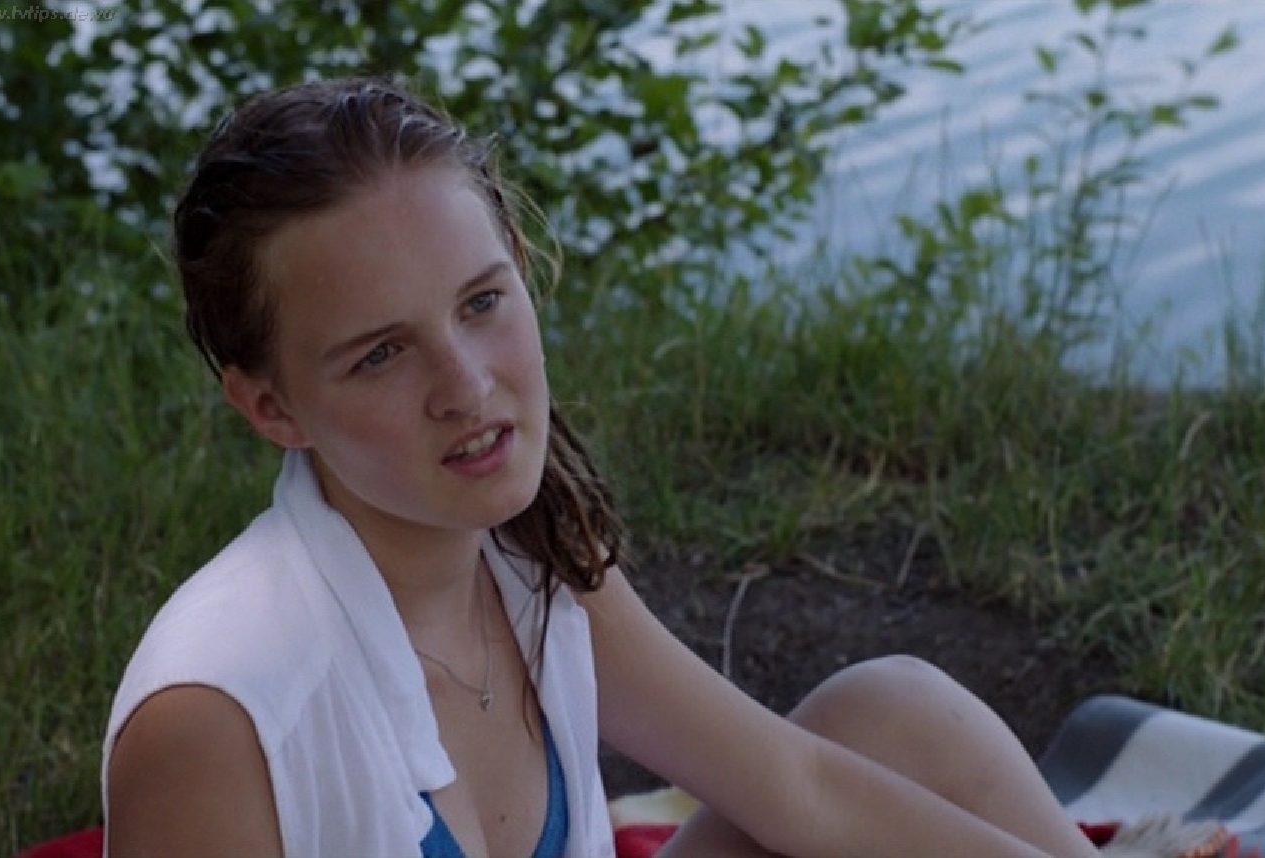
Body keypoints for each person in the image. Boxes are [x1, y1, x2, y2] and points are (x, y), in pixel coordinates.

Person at [101, 76, 1103, 858]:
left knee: (896, 714)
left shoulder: (532, 550)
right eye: (381, 354)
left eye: (481, 303)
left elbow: (797, 787)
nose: (468, 387)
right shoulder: (219, 715)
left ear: (520, 266)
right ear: (271, 406)